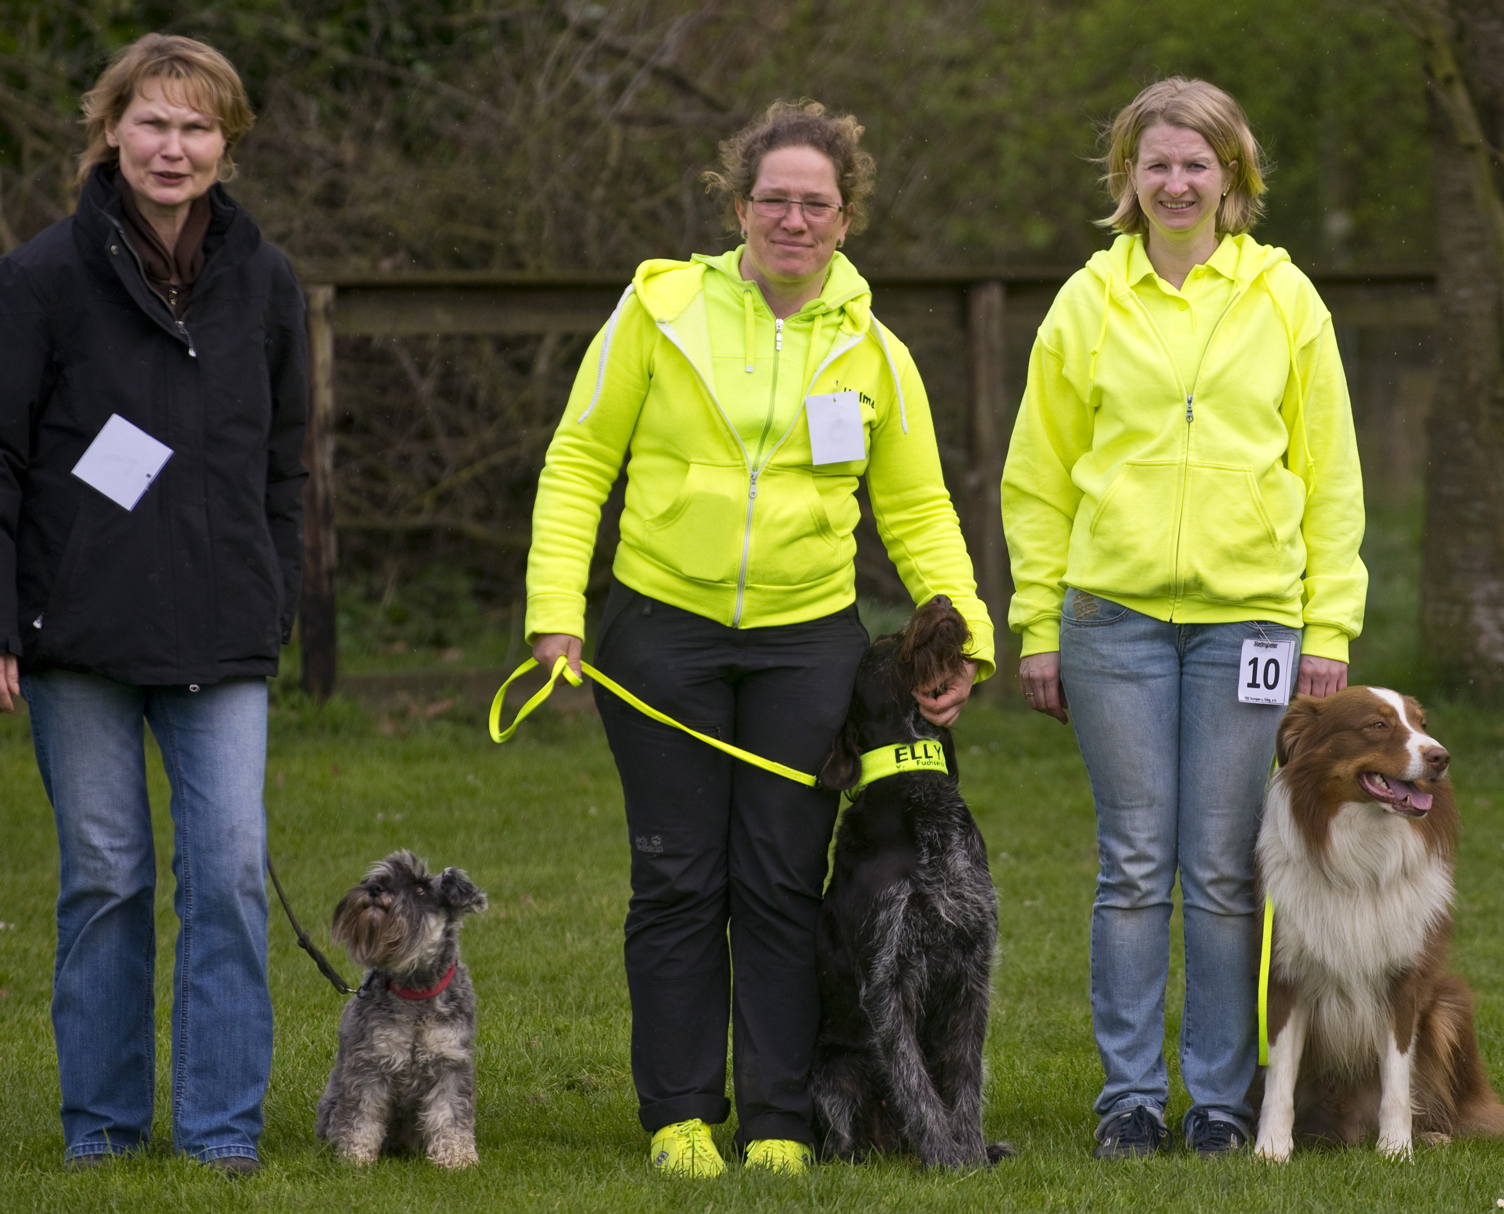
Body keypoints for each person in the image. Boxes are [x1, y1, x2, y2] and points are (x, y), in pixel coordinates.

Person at [523, 99, 994, 1177]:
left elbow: (918, 509)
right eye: (772, 199)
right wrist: (556, 613)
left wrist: (961, 640)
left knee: (782, 879)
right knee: (677, 878)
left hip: (805, 646)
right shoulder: (659, 309)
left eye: (813, 203)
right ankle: (680, 1113)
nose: (792, 218)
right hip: (660, 634)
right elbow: (578, 461)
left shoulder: (875, 351)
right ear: (738, 207)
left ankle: (778, 1118)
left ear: (843, 220)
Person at [0, 34, 307, 1176]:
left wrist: (269, 585)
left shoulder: (268, 282)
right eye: (152, 122)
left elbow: (286, 460)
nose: (173, 146)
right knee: (105, 879)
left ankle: (220, 1133)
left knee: (231, 877)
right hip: (74, 635)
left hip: (221, 637)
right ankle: (101, 1128)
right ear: (110, 131)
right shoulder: (37, 279)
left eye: (197, 128)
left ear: (226, 146)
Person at [1001, 77, 1366, 1160]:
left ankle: (1216, 1097)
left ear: (1231, 176)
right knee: (1129, 864)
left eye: (1194, 164)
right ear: (1127, 179)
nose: (1173, 182)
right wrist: (1033, 625)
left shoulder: (1286, 301)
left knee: (1217, 866)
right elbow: (1037, 478)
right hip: (1107, 620)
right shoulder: (1083, 302)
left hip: (1249, 626)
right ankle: (1126, 1098)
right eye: (1153, 164)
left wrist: (1326, 627)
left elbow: (1329, 475)